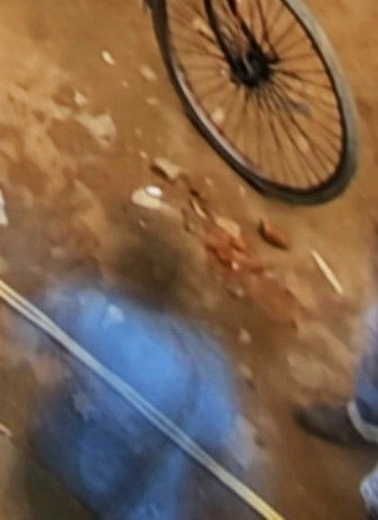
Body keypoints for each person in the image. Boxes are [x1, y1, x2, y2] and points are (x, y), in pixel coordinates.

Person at [25, 218, 254, 520]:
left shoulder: (96, 317)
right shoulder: (209, 359)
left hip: (68, 480)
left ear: (128, 271)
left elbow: (30, 326)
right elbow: (228, 447)